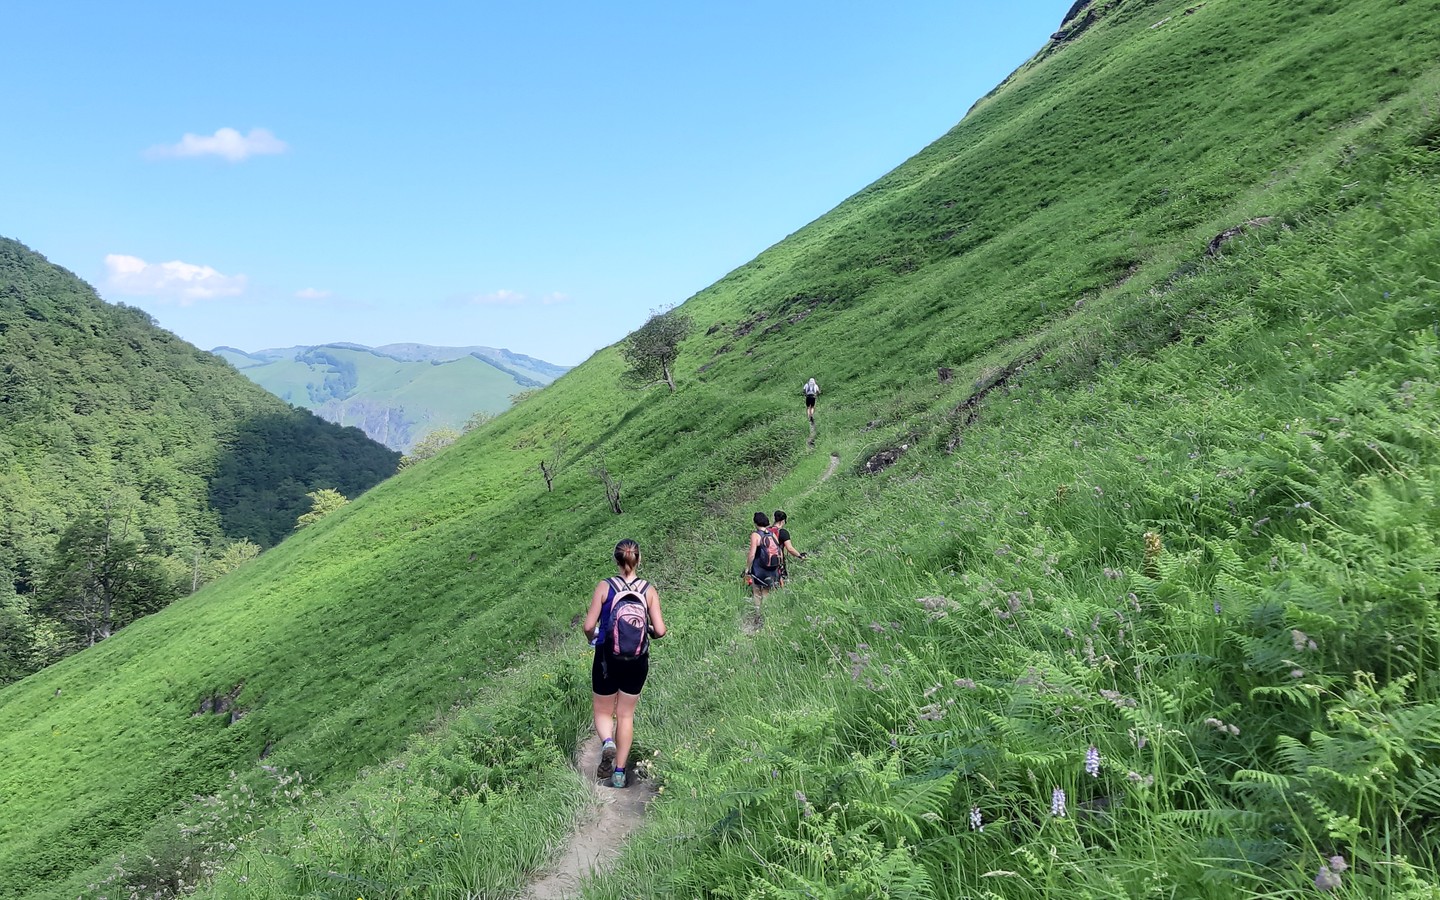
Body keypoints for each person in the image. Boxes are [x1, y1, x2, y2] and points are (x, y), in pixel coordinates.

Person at [582, 539, 666, 788]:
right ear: (639, 559)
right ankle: (619, 773)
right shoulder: (648, 590)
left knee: (603, 711)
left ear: (616, 561)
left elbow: (588, 626)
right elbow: (661, 630)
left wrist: (593, 638)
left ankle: (607, 742)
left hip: (607, 657)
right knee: (626, 714)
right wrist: (648, 630)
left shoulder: (605, 587)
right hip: (637, 660)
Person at [746, 511, 782, 604]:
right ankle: (766, 609)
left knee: (756, 591)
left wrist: (747, 568)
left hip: (759, 568)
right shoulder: (772, 534)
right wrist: (779, 565)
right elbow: (779, 550)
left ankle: (758, 610)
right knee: (766, 591)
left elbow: (752, 554)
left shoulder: (755, 535)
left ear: (755, 523)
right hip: (772, 567)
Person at [771, 510, 807, 586]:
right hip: (778, 560)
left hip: (764, 561)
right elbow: (790, 549)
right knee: (781, 581)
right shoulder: (783, 532)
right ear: (783, 521)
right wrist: (800, 556)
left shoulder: (767, 531)